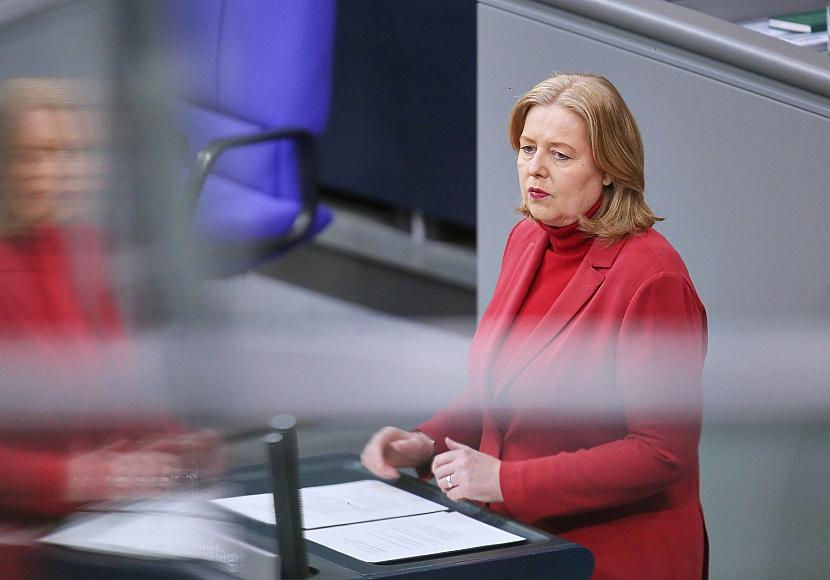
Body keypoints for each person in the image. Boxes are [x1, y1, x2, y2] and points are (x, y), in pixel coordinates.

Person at [361, 73, 708, 579]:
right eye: (527, 149)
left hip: (611, 554)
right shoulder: (527, 239)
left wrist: (507, 482)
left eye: (560, 155)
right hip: (518, 537)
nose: (535, 168)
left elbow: (662, 453)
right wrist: (426, 442)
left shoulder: (653, 279)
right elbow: (501, 388)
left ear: (610, 169)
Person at [0, 78, 221, 578]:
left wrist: (174, 446)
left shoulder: (83, 249)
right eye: (37, 155)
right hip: (25, 541)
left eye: (75, 154)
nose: (64, 172)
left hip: (100, 522)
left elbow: (122, 382)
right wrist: (78, 478)